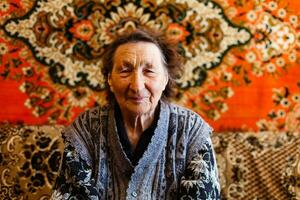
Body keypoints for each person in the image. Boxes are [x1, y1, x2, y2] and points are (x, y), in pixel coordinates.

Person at [51, 29, 220, 199]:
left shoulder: (191, 130)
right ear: (110, 79)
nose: (137, 86)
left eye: (149, 71)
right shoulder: (86, 130)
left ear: (165, 78)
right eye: (125, 71)